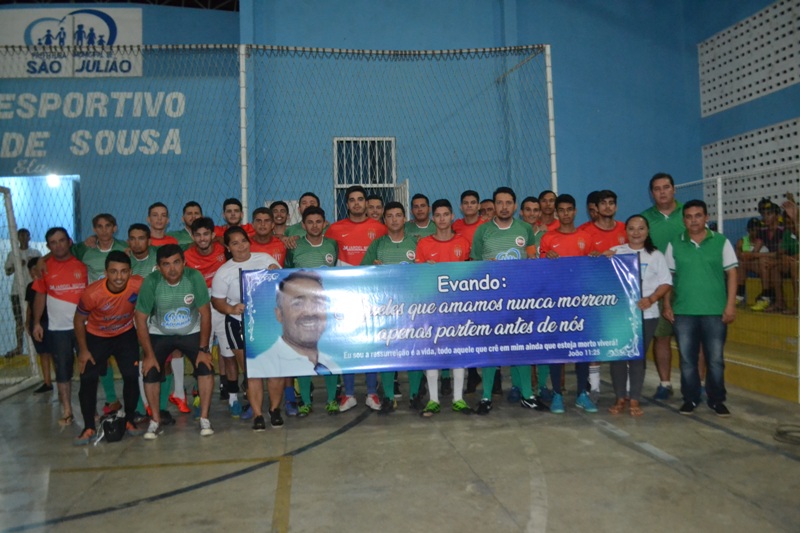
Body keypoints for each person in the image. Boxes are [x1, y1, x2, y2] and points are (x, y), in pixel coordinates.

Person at [471, 187, 545, 415]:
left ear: (515, 206)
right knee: (491, 348)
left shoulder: (525, 230)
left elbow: (532, 259)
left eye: (508, 203)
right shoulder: (482, 231)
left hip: (520, 300)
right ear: (494, 205)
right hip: (491, 302)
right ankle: (485, 397)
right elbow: (473, 265)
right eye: (499, 203)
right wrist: (487, 267)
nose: (504, 207)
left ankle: (527, 395)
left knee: (521, 347)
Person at [663, 200, 737, 417]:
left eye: (698, 215)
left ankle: (716, 400)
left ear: (706, 218)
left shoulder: (721, 242)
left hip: (715, 311)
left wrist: (730, 304)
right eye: (688, 216)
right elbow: (669, 277)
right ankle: (691, 398)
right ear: (683, 220)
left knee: (715, 360)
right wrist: (667, 304)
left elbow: (732, 273)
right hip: (684, 312)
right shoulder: (674, 244)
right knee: (687, 360)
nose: (693, 220)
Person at [134, 244, 215, 438]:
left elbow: (205, 314)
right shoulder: (151, 282)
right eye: (166, 264)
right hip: (159, 332)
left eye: (177, 263)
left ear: (184, 262)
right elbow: (140, 318)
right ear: (159, 267)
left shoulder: (194, 277)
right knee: (151, 370)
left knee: (205, 367)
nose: (172, 269)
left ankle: (204, 418)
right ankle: (155, 420)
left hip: (191, 331)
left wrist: (203, 349)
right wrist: (149, 355)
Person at [211, 227, 283, 430]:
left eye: (243, 241)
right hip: (238, 323)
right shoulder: (224, 272)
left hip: (267, 321)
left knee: (275, 370)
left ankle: (275, 410)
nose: (241, 246)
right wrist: (231, 308)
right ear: (227, 247)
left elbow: (281, 284)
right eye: (234, 243)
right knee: (253, 372)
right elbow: (217, 301)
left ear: (249, 241)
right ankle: (258, 415)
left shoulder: (265, 258)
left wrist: (274, 272)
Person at [325, 185, 388, 411]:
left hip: (373, 294)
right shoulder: (334, 229)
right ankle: (349, 394)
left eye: (360, 199)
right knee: (347, 342)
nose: (357, 203)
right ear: (347, 204)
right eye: (352, 200)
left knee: (371, 343)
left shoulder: (380, 229)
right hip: (345, 296)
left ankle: (372, 393)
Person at [73, 251, 144, 445]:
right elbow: (79, 321)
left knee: (131, 376)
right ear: (105, 272)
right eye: (113, 272)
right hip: (97, 337)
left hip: (125, 335)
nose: (118, 277)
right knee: (87, 379)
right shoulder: (92, 293)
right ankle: (88, 427)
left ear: (130, 272)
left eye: (123, 272)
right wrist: (84, 350)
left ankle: (129, 420)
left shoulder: (138, 284)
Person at [605, 216, 672, 417]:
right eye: (632, 228)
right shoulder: (616, 252)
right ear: (625, 231)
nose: (636, 232)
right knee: (617, 356)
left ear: (647, 230)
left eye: (641, 228)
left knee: (637, 357)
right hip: (620, 316)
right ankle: (619, 397)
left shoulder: (656, 255)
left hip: (648, 314)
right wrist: (601, 258)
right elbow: (598, 272)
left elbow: (666, 283)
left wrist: (651, 299)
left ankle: (634, 397)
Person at [361, 201, 423, 413]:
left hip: (413, 307)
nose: (395, 219)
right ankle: (388, 396)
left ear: (404, 218)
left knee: (415, 351)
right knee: (389, 351)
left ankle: (415, 394)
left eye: (398, 215)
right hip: (385, 309)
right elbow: (362, 273)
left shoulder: (417, 244)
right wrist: (372, 268)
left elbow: (426, 272)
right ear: (384, 220)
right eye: (390, 216)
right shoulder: (377, 245)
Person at [539, 194, 598, 414]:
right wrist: (546, 259)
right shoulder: (547, 239)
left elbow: (594, 271)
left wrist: (595, 259)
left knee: (582, 350)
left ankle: (582, 393)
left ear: (575, 211)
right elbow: (540, 271)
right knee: (558, 350)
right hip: (556, 304)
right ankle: (557, 394)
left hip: (582, 303)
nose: (565, 213)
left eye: (569, 209)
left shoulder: (586, 238)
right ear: (556, 213)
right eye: (561, 210)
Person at [415, 199, 474, 416]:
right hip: (433, 307)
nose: (441, 219)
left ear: (452, 217)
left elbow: (470, 275)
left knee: (457, 351)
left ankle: (458, 399)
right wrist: (425, 272)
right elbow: (417, 278)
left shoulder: (463, 242)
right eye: (438, 215)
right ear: (433, 218)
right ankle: (433, 399)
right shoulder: (423, 245)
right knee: (433, 351)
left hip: (458, 307)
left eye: (445, 214)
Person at [285, 206, 340, 414]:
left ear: (324, 223)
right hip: (301, 310)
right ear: (303, 224)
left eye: (318, 222)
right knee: (303, 354)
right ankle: (306, 402)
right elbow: (285, 275)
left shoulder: (333, 245)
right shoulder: (294, 247)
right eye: (310, 222)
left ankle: (332, 399)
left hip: (326, 307)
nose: (314, 226)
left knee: (328, 353)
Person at [32, 227, 88, 426]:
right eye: (53, 242)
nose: (58, 245)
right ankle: (67, 410)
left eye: (62, 240)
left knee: (89, 371)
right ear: (48, 246)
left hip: (85, 327)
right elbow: (40, 295)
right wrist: (37, 322)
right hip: (58, 329)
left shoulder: (83, 264)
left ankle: (90, 411)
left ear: (69, 241)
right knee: (63, 372)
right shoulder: (44, 268)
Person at [641, 172, 685, 400]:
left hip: (688, 285)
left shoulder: (688, 214)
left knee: (694, 340)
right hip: (657, 288)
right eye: (657, 189)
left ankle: (700, 385)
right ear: (652, 193)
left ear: (674, 189)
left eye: (666, 187)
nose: (662, 192)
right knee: (662, 337)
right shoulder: (644, 219)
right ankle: (665, 383)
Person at [581, 189, 627, 400]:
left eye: (611, 203)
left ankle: (625, 386)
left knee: (622, 339)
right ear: (596, 208)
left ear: (616, 206)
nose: (608, 207)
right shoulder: (584, 232)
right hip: (595, 295)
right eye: (604, 203)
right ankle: (595, 386)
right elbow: (579, 264)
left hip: (622, 296)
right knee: (595, 341)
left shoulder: (627, 229)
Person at [250, 270, 341, 377]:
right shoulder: (261, 366)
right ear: (279, 314)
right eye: (298, 304)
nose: (309, 312)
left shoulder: (332, 363)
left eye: (317, 302)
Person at [184, 217, 233, 411]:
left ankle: (233, 397)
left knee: (228, 353)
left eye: (206, 234)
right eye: (198, 235)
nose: (202, 238)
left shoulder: (223, 250)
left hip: (222, 303)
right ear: (193, 237)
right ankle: (198, 396)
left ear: (213, 235)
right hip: (199, 305)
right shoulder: (186, 255)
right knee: (201, 352)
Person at [4, 228, 42, 358]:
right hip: (17, 291)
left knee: (36, 319)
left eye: (26, 235)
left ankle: (38, 346)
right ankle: (19, 347)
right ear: (18, 237)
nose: (24, 237)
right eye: (21, 235)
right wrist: (17, 266)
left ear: (29, 237)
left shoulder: (36, 252)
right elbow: (7, 272)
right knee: (19, 320)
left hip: (34, 290)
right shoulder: (12, 254)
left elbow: (43, 270)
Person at [751, 198, 786, 312]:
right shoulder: (763, 230)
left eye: (769, 214)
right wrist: (749, 255)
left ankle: (766, 296)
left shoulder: (782, 229)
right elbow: (755, 251)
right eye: (764, 214)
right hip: (771, 261)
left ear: (777, 215)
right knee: (743, 263)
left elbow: (780, 253)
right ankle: (740, 295)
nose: (765, 217)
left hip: (784, 262)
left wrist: (761, 256)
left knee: (764, 261)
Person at [25, 258, 52, 393]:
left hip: (50, 322)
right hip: (37, 323)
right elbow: (30, 306)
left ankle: (62, 381)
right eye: (32, 270)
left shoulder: (49, 283)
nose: (34, 272)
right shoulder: (30, 287)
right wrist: (27, 322)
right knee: (42, 353)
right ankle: (47, 382)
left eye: (36, 268)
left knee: (56, 354)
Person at [734, 217, 766, 305]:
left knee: (743, 263)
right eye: (753, 229)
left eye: (757, 229)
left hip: (764, 266)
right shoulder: (742, 240)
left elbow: (752, 255)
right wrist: (744, 255)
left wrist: (745, 255)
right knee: (740, 264)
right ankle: (739, 295)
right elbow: (738, 255)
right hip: (751, 265)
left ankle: (740, 295)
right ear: (748, 230)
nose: (755, 232)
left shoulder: (762, 240)